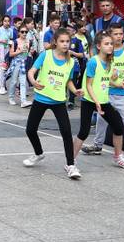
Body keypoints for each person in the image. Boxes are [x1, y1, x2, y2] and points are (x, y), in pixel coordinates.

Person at [22, 29, 82, 179]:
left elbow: (68, 80)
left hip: (58, 100)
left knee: (67, 132)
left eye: (67, 41)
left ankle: (71, 165)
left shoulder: (71, 61)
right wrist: (34, 81)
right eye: (62, 41)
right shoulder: (46, 55)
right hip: (41, 97)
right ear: (55, 41)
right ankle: (38, 153)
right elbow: (31, 71)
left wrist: (75, 91)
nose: (65, 44)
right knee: (30, 130)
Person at [72, 31, 124, 171]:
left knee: (119, 127)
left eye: (111, 44)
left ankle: (118, 157)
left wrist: (118, 84)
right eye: (107, 44)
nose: (110, 46)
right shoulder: (93, 61)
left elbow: (106, 81)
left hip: (103, 101)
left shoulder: (110, 61)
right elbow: (89, 84)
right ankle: (71, 161)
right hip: (90, 100)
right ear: (99, 46)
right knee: (84, 131)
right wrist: (97, 102)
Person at [85, 22, 124, 166]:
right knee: (101, 121)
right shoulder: (106, 52)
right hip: (107, 91)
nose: (118, 36)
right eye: (115, 34)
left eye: (121, 34)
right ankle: (98, 144)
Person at [8, 23, 34, 108]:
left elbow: (28, 52)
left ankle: (23, 101)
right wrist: (19, 52)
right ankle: (11, 97)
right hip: (16, 63)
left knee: (23, 82)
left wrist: (30, 52)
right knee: (14, 81)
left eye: (26, 32)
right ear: (19, 32)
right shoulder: (15, 42)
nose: (24, 34)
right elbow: (11, 54)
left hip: (24, 62)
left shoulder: (28, 41)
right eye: (22, 32)